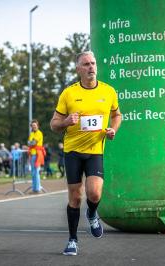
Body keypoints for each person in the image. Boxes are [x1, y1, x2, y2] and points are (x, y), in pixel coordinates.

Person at [50, 51, 122, 256]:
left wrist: (113, 129)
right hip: (72, 151)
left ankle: (92, 213)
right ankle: (72, 240)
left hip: (94, 151)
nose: (91, 67)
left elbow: (117, 115)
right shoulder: (68, 94)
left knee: (95, 193)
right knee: (75, 197)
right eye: (86, 64)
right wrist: (65, 122)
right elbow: (54, 124)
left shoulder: (108, 91)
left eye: (93, 63)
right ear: (78, 69)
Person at [28, 120, 45, 192]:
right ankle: (34, 188)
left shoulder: (39, 133)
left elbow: (33, 143)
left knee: (36, 172)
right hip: (32, 154)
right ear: (31, 126)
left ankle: (37, 188)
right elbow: (29, 143)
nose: (34, 126)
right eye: (32, 125)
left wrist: (31, 143)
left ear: (37, 126)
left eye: (35, 125)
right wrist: (30, 143)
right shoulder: (31, 133)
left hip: (37, 154)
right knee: (33, 172)